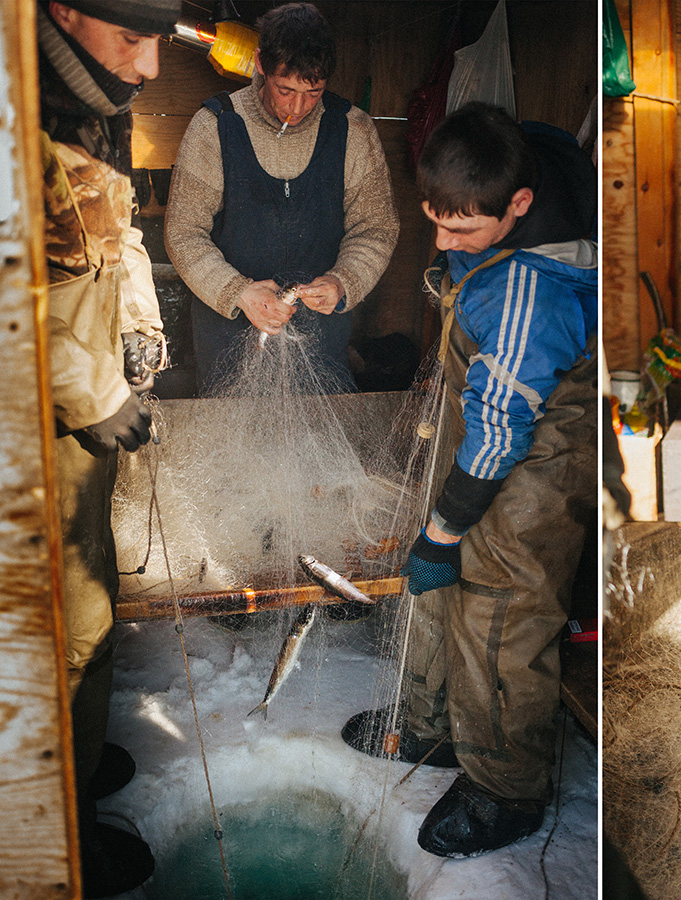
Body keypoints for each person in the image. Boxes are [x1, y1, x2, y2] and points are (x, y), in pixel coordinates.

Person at [341, 102, 598, 858]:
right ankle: (435, 726)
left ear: (518, 206)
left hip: (533, 453)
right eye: (436, 223)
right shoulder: (495, 202)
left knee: (500, 609)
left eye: (462, 233)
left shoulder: (531, 289)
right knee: (440, 586)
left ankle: (505, 788)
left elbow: (499, 433)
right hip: (483, 422)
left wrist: (447, 526)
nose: (444, 243)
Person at [38, 0, 178, 894]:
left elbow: (111, 241)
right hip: (32, 431)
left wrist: (136, 327)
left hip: (82, 424)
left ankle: (79, 776)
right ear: (62, 11)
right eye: (134, 36)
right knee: (43, 632)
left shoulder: (95, 101)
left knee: (90, 593)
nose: (153, 64)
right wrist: (92, 392)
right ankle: (52, 838)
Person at [164, 1, 399, 396]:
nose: (296, 108)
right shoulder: (216, 126)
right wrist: (238, 291)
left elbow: (376, 229)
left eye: (313, 93)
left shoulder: (352, 130)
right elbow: (183, 233)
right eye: (285, 89)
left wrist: (344, 282)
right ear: (259, 63)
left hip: (320, 342)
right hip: (227, 341)